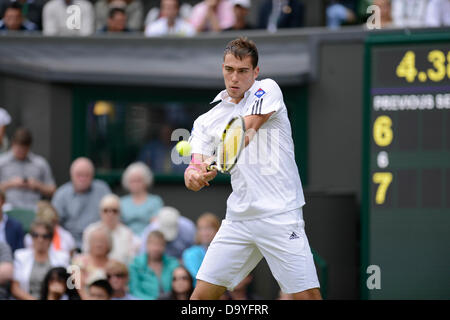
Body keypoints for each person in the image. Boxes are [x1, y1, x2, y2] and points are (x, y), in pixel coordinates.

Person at [185, 37, 321, 300]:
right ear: (222, 69)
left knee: (308, 297)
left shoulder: (267, 89)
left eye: (243, 71)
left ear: (255, 72)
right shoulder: (204, 122)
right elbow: (193, 169)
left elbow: (246, 130)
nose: (234, 78)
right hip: (239, 219)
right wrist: (196, 175)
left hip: (281, 214)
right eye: (229, 70)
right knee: (200, 299)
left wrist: (224, 152)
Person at [52, 157, 111, 249]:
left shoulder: (102, 189)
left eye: (86, 175)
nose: (83, 179)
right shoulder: (61, 194)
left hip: (98, 242)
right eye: (79, 175)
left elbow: (112, 215)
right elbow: (54, 222)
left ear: (92, 176)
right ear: (71, 175)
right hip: (70, 242)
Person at [0, 128, 56, 211]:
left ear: (29, 147)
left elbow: (53, 190)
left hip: (34, 209)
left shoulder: (40, 163)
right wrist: (10, 184)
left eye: (24, 150)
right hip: (8, 209)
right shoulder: (2, 162)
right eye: (18, 149)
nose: (21, 152)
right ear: (13, 144)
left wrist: (37, 185)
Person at [11, 220, 70, 300]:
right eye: (36, 235)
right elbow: (15, 288)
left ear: (50, 239)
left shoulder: (62, 258)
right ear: (31, 237)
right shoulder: (20, 256)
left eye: (45, 236)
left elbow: (68, 287)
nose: (40, 240)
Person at [82, 194, 137, 265]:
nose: (110, 214)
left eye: (114, 211)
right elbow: (86, 256)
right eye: (106, 210)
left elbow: (130, 260)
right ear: (100, 212)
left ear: (120, 213)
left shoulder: (127, 233)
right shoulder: (90, 231)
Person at [129, 230, 179, 300]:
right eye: (153, 244)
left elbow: (179, 286)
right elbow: (134, 290)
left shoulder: (173, 263)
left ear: (164, 246)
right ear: (146, 245)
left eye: (160, 244)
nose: (156, 248)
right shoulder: (136, 264)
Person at [120, 162, 163, 237]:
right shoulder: (121, 202)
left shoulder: (155, 201)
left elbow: (155, 225)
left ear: (146, 181)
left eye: (138, 180)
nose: (135, 184)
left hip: (148, 240)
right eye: (132, 181)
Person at [182, 212, 220, 280]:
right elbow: (198, 279)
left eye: (208, 228)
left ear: (217, 230)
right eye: (201, 229)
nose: (204, 233)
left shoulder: (224, 251)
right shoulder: (190, 254)